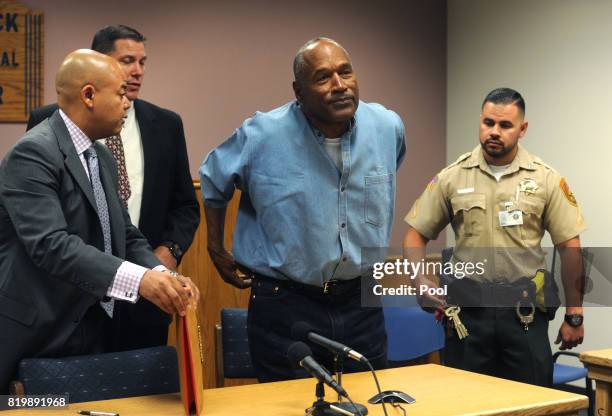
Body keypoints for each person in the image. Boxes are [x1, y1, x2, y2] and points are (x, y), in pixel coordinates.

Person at [199, 37, 406, 382]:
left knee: (367, 399)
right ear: (299, 91)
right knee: (289, 405)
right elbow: (212, 180)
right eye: (323, 77)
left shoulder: (387, 127)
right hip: (285, 302)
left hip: (359, 302)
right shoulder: (262, 134)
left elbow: (391, 165)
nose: (339, 85)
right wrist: (215, 246)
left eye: (346, 72)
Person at [0, 50, 200, 393]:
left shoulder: (101, 154)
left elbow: (125, 233)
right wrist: (140, 282)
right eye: (121, 93)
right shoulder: (33, 153)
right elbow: (52, 245)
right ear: (89, 95)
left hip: (90, 328)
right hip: (37, 332)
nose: (128, 103)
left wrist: (165, 276)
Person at [403, 87, 585, 387]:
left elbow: (570, 247)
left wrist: (575, 314)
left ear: (522, 129)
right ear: (480, 121)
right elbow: (415, 234)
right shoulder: (452, 176)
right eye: (488, 123)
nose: (494, 132)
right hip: (468, 319)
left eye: (505, 125)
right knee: (468, 403)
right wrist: (418, 279)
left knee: (534, 403)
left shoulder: (546, 179)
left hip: (524, 316)